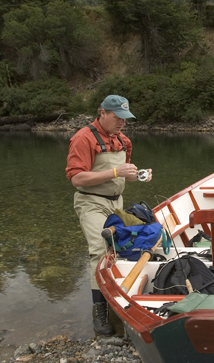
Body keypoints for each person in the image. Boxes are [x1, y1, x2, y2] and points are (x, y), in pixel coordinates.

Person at [66, 95, 152, 336]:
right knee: (100, 250)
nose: (122, 123)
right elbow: (76, 178)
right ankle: (99, 311)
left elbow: (123, 175)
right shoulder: (83, 138)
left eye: (125, 118)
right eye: (117, 118)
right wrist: (115, 171)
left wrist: (139, 175)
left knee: (120, 248)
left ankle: (118, 297)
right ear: (102, 113)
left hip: (116, 203)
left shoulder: (123, 141)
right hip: (91, 202)